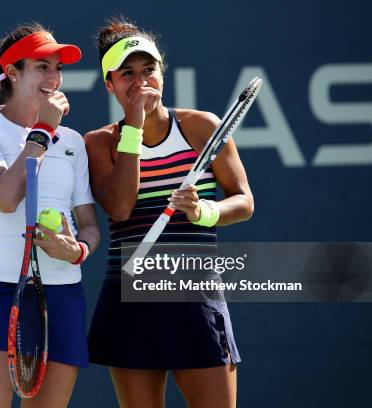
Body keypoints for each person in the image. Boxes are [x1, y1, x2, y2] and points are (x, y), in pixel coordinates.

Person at [85, 18, 254, 408]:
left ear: (163, 73)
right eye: (127, 74)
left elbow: (243, 200)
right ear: (110, 84)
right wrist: (134, 128)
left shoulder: (201, 126)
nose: (141, 81)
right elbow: (121, 207)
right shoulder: (98, 143)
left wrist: (204, 211)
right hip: (130, 299)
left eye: (149, 70)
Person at [0, 23, 100, 408]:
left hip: (64, 292)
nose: (53, 78)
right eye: (41, 67)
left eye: (57, 68)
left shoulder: (72, 142)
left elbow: (88, 223)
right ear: (13, 74)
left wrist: (78, 250)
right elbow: (4, 196)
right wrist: (43, 130)